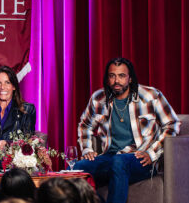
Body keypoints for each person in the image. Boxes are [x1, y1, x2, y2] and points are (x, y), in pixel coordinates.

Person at [74, 57, 181, 203]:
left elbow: (172, 124)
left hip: (141, 159)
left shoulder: (150, 96)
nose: (116, 81)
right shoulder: (98, 99)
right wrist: (87, 149)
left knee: (119, 162)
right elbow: (85, 124)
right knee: (79, 167)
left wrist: (152, 153)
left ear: (130, 78)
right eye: (112, 76)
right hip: (110, 157)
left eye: (121, 76)